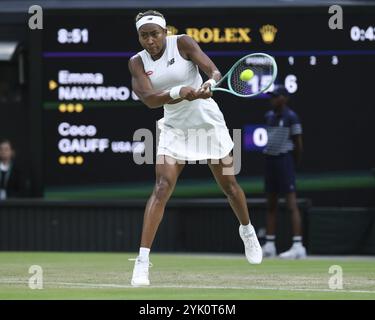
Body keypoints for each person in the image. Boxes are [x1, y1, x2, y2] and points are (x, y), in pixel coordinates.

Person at [129, 10, 262, 286]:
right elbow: (150, 100)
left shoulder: (184, 43)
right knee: (162, 187)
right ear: (139, 37)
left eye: (155, 34)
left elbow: (213, 70)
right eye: (145, 36)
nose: (151, 41)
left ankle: (247, 231)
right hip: (174, 128)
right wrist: (179, 92)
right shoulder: (136, 63)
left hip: (208, 124)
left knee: (230, 186)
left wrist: (211, 82)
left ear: (165, 32)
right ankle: (142, 262)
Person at [261, 85, 307, 259]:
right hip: (270, 161)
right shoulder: (269, 116)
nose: (272, 99)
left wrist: (291, 163)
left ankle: (298, 246)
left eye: (276, 96)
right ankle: (270, 245)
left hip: (285, 161)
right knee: (271, 204)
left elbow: (299, 145)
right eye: (271, 96)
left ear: (285, 99)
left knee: (291, 204)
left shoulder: (292, 117)